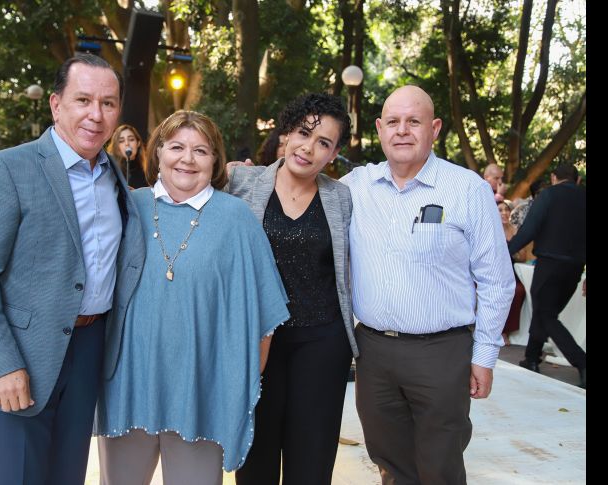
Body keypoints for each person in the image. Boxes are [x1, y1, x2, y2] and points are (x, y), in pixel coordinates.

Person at [0, 53, 145, 485]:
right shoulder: (8, 168)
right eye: (83, 100)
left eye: (108, 103)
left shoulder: (116, 177)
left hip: (91, 346)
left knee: (66, 476)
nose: (96, 114)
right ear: (56, 105)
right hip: (20, 354)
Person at [95, 110, 290, 484]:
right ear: (158, 152)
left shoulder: (236, 218)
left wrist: (234, 383)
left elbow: (265, 314)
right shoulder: (129, 207)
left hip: (201, 392)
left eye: (201, 150)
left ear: (215, 160)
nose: (187, 158)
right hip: (128, 384)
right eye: (177, 147)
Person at [338, 85, 515, 485]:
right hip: (374, 352)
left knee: (440, 465)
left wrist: (484, 355)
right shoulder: (355, 187)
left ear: (433, 129)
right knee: (389, 461)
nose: (403, 131)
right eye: (394, 122)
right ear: (380, 129)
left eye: (414, 122)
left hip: (442, 352)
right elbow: (298, 186)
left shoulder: (467, 189)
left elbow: (496, 280)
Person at [227, 93, 359, 485]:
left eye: (324, 143)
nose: (309, 147)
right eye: (304, 133)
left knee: (311, 462)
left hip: (322, 343)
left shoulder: (341, 198)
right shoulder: (241, 182)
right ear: (287, 133)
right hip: (256, 341)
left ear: (333, 154)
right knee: (255, 459)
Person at [508, 163, 586, 389]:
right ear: (577, 180)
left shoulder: (548, 195)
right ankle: (531, 358)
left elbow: (529, 229)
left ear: (553, 178)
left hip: (549, 263)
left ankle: (581, 361)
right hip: (575, 268)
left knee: (546, 314)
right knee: (545, 312)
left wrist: (507, 251)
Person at [498, 200, 529, 345]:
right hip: (496, 272)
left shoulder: (516, 230)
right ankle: (500, 331)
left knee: (519, 291)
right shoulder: (492, 229)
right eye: (500, 210)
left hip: (513, 271)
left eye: (506, 209)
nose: (504, 213)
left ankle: (509, 330)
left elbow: (523, 256)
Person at [107, 123, 148, 188]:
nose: (127, 143)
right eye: (121, 141)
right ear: (117, 147)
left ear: (138, 143)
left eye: (131, 139)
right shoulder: (110, 171)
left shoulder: (148, 172)